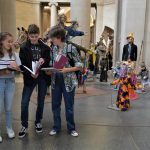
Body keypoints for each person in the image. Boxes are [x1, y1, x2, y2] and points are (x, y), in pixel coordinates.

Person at [47, 25, 82, 137]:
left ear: (58, 37)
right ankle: (56, 127)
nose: (51, 40)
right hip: (55, 80)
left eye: (52, 37)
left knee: (69, 105)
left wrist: (67, 69)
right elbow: (52, 63)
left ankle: (71, 128)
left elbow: (80, 65)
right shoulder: (53, 49)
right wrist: (49, 70)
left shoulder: (71, 49)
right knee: (55, 105)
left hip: (68, 80)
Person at [18, 24, 50, 138]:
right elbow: (22, 65)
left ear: (39, 35)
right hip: (29, 77)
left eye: (36, 36)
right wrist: (30, 73)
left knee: (40, 100)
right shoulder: (23, 47)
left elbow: (48, 60)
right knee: (24, 102)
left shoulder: (45, 48)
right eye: (32, 36)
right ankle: (24, 125)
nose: (34, 39)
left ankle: (38, 121)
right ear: (28, 35)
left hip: (41, 77)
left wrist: (44, 59)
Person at [0, 32, 21, 142]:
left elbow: (19, 70)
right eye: (8, 41)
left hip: (10, 82)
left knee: (8, 107)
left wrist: (17, 68)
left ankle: (9, 128)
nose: (10, 43)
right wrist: (6, 70)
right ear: (1, 41)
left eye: (11, 41)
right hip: (0, 83)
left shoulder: (14, 54)